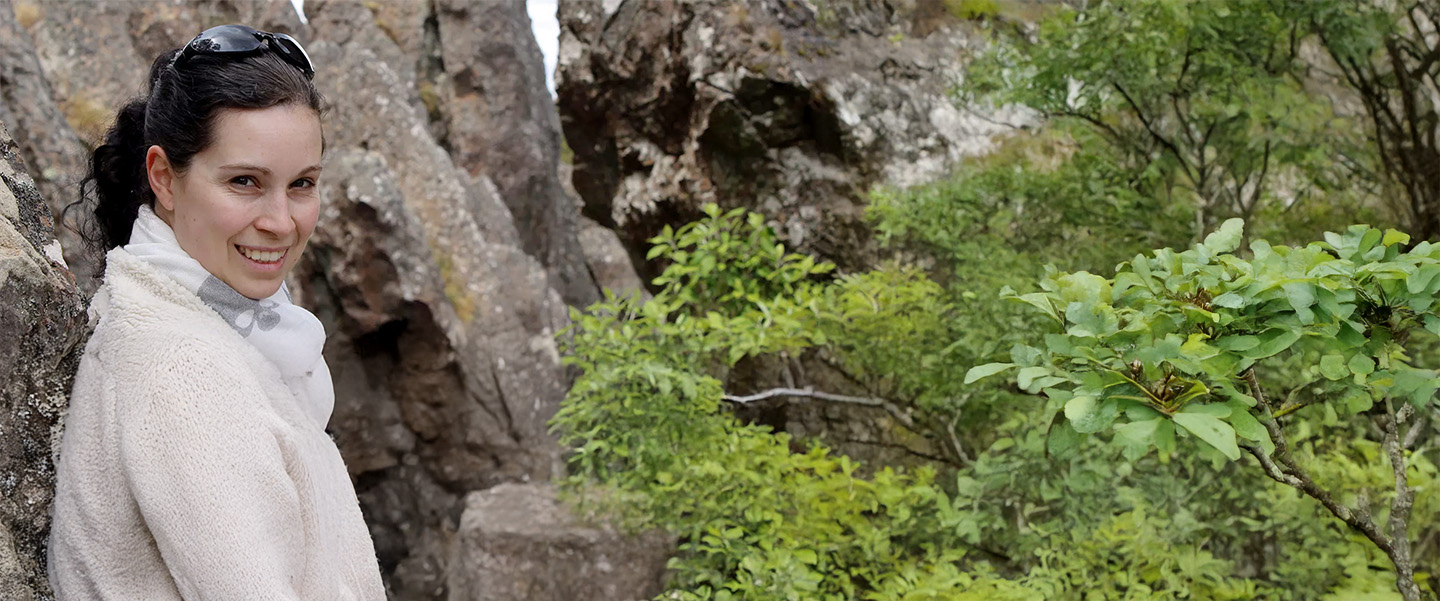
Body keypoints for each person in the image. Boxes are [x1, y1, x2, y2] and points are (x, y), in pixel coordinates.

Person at [46, 24, 385, 599]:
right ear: (164, 179)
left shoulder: (181, 319)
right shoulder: (184, 373)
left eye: (302, 184)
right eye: (245, 182)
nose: (282, 221)